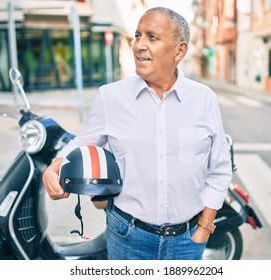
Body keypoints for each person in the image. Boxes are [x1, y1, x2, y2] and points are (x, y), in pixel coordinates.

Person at [43, 6, 232, 260]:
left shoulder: (204, 99)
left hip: (187, 241)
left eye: (152, 37)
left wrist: (205, 227)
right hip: (127, 237)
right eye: (138, 36)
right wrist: (54, 167)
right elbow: (83, 142)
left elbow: (219, 169)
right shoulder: (111, 97)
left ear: (180, 50)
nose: (139, 45)